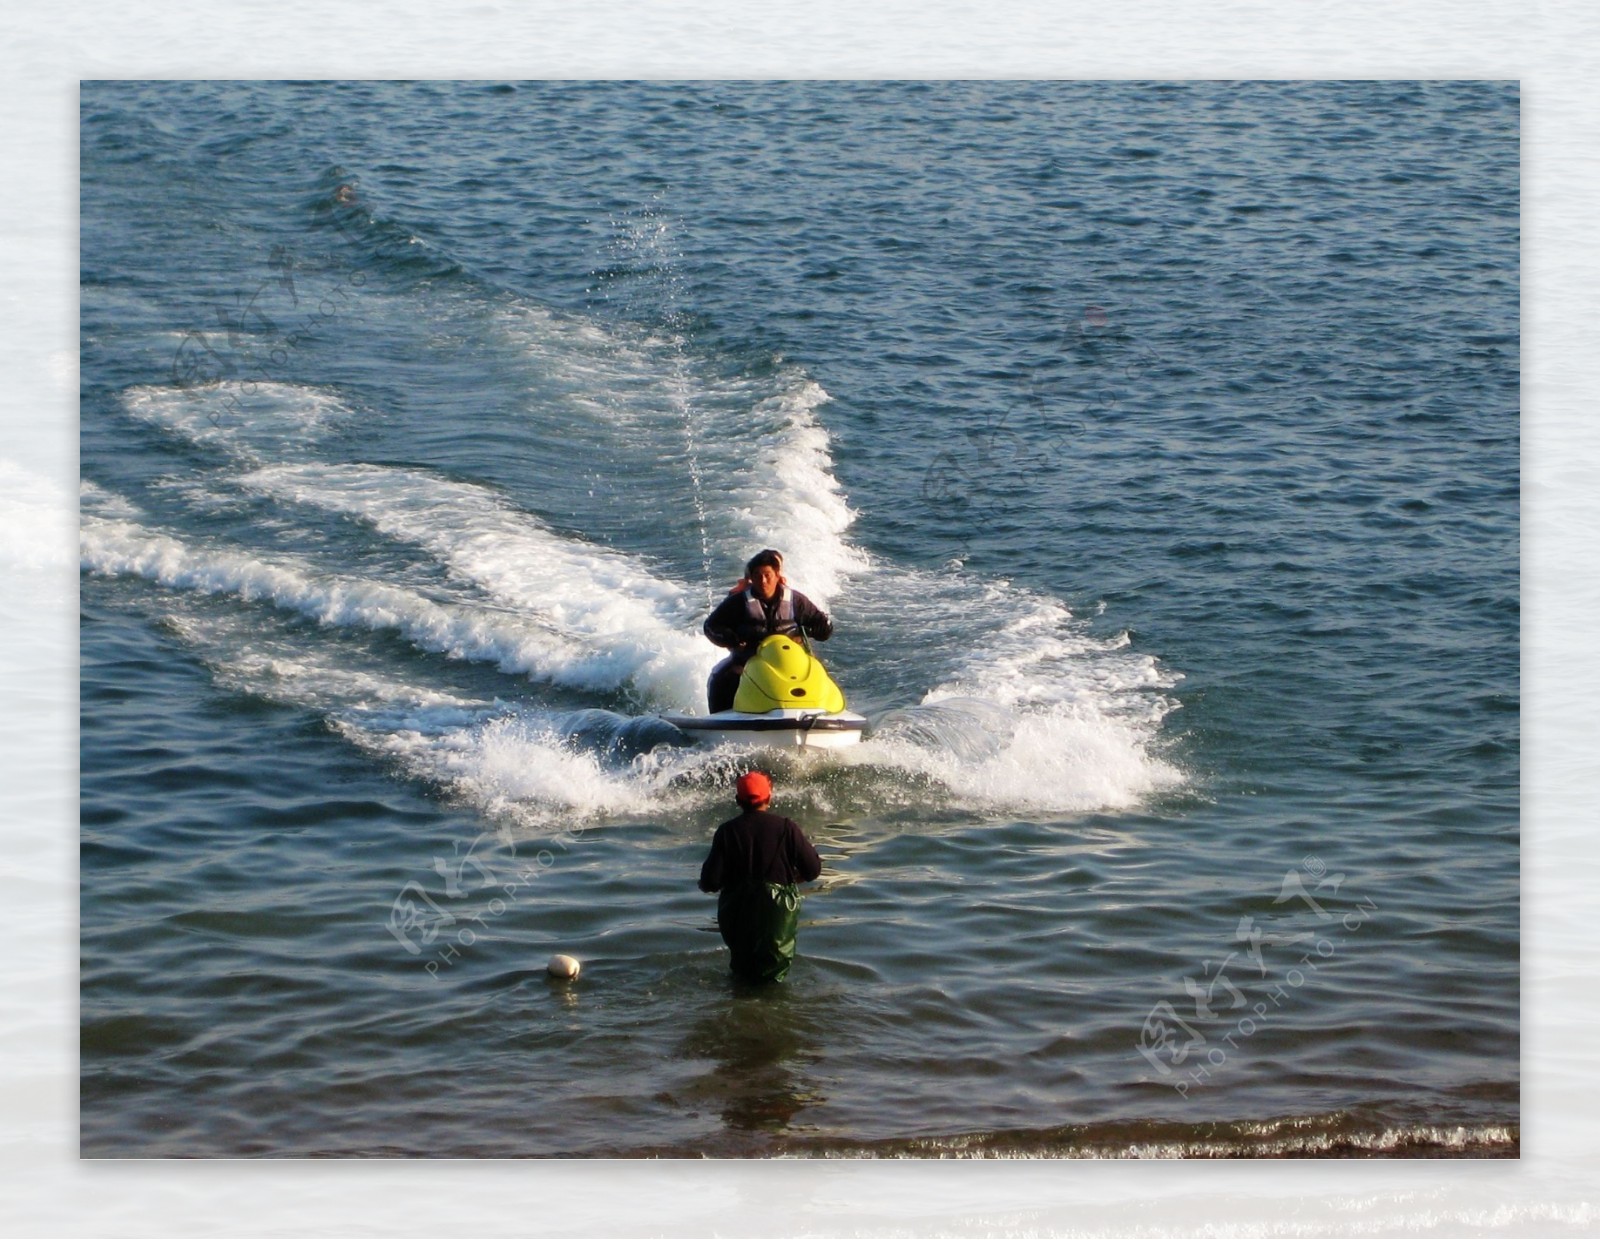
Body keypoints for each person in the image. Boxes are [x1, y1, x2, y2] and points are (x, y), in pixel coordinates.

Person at [698, 770, 823, 983]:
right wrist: (792, 879)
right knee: (774, 975)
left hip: (738, 913)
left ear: (738, 801)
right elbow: (812, 870)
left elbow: (710, 882)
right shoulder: (786, 828)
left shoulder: (727, 831)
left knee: (741, 973)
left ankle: (738, 1012)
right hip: (777, 914)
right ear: (769, 798)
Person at [702, 549, 833, 713]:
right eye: (757, 576)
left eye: (767, 575)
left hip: (790, 663)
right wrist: (731, 639)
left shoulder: (796, 600)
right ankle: (720, 720)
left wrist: (810, 631)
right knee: (722, 677)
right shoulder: (738, 602)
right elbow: (711, 626)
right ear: (751, 578)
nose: (763, 581)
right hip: (748, 661)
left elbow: (823, 624)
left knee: (818, 674)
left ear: (777, 575)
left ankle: (823, 711)